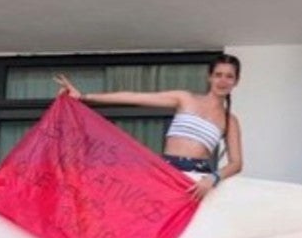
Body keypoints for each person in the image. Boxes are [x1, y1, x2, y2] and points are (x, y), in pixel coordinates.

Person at [54, 54, 243, 201]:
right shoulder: (185, 98)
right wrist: (84, 97)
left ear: (236, 81)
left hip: (200, 178)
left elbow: (236, 163)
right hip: (169, 170)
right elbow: (134, 97)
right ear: (210, 77)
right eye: (218, 75)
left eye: (229, 76)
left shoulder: (230, 120)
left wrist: (213, 178)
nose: (223, 81)